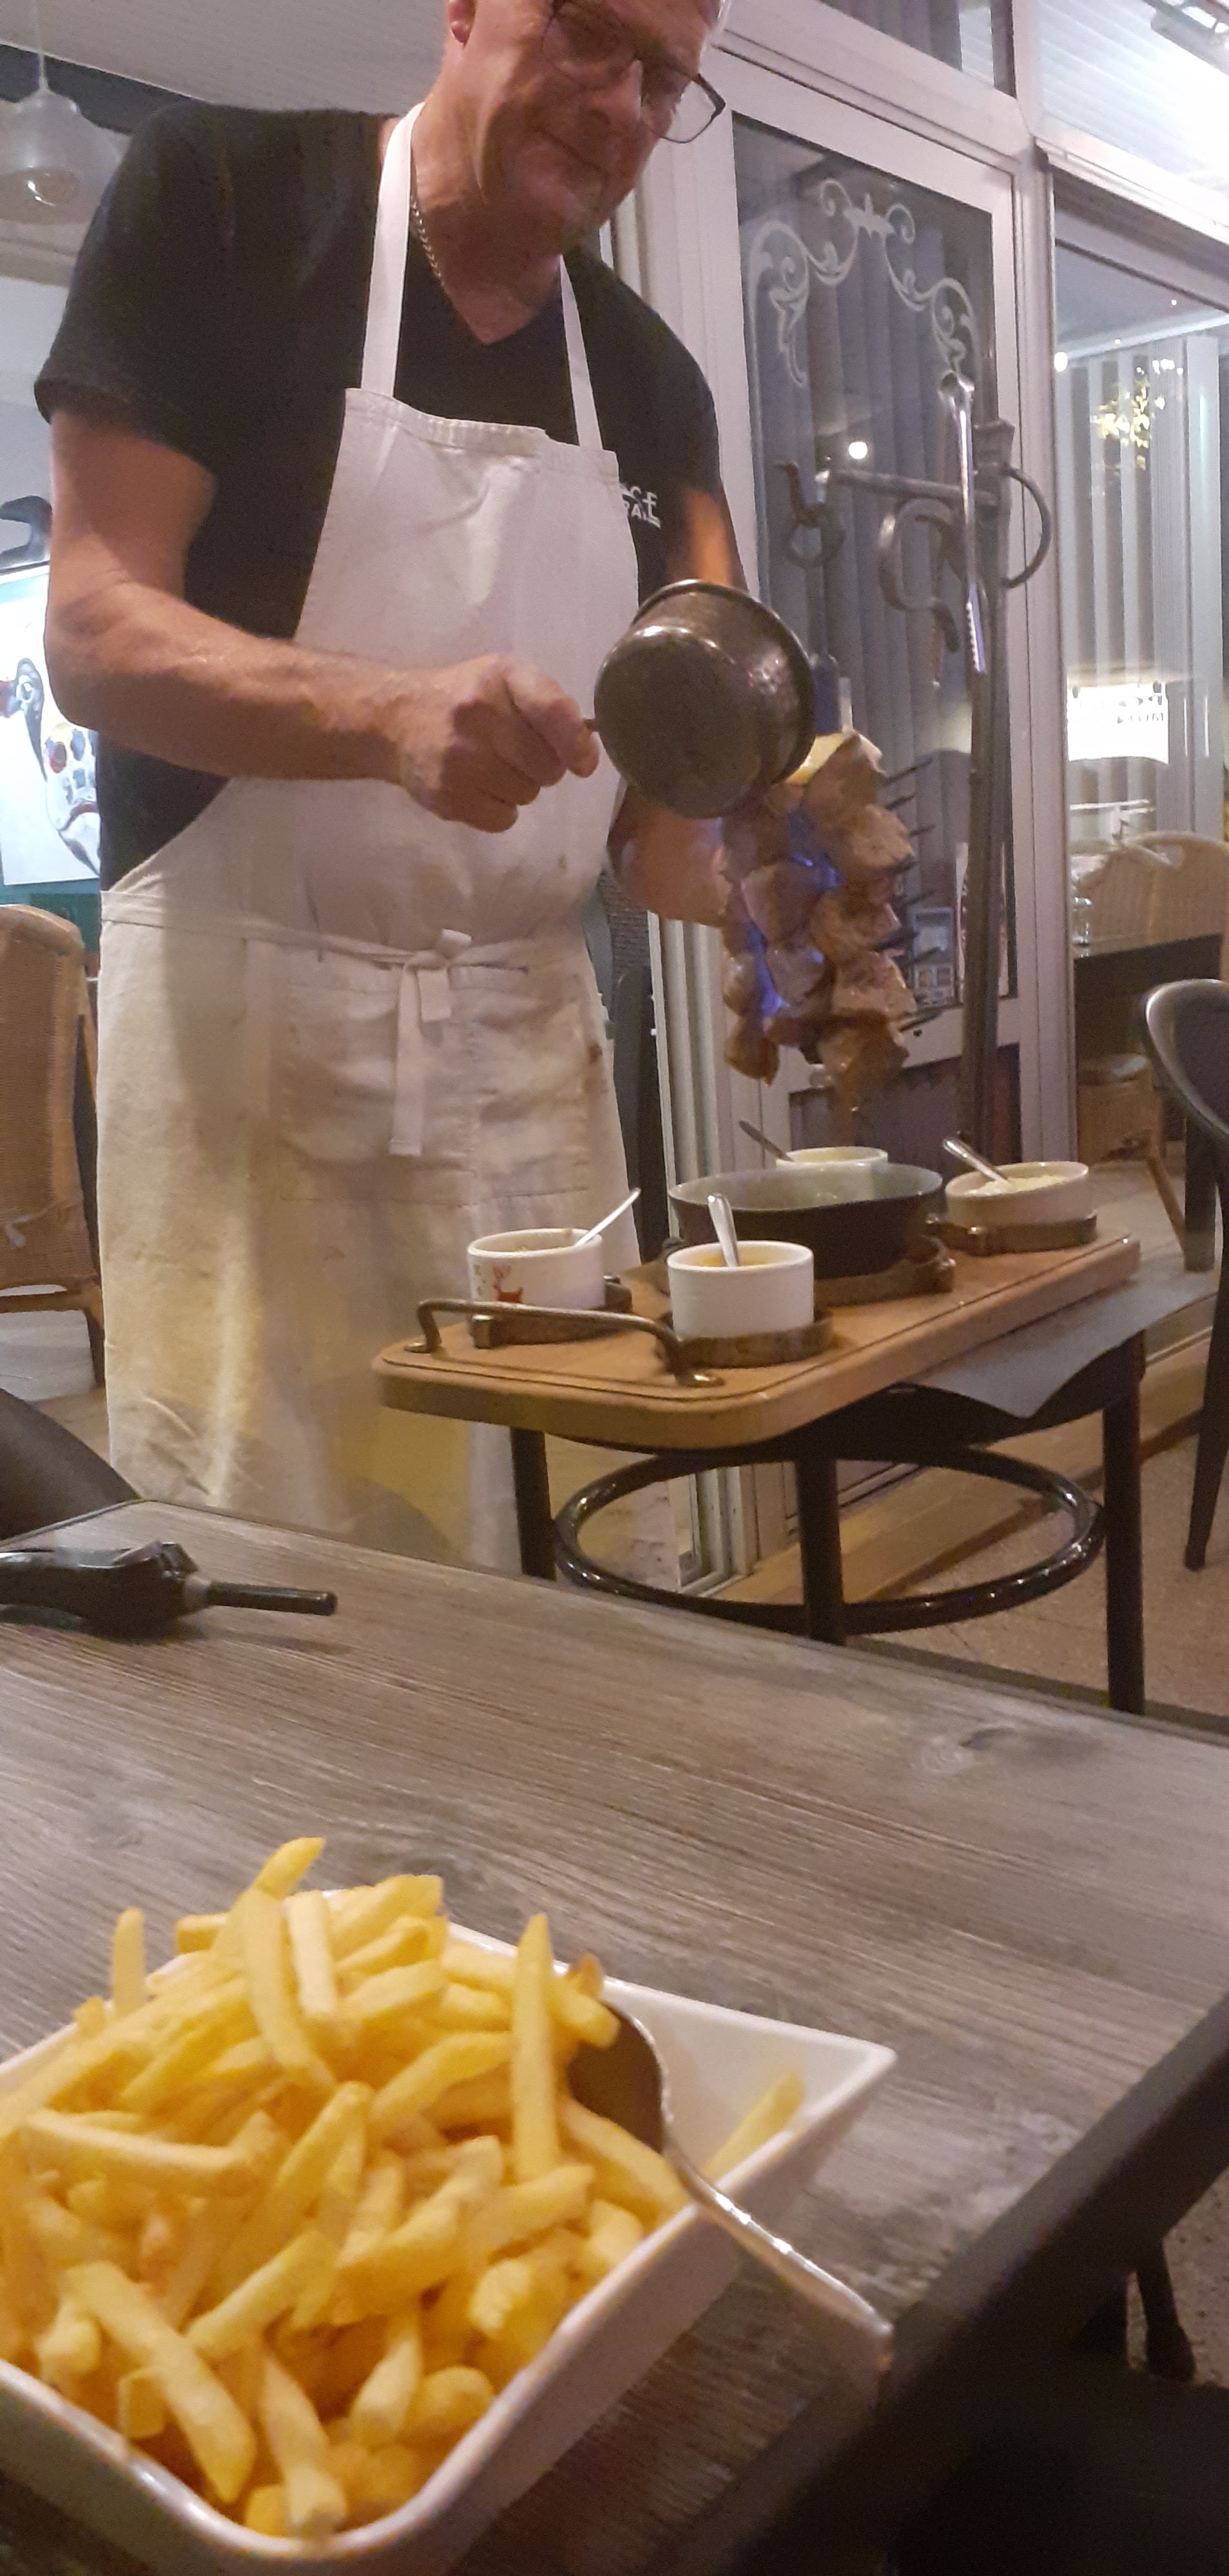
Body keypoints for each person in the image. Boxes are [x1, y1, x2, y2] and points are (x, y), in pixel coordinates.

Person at [37, 0, 736, 1562]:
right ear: (467, 8)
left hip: (533, 1067)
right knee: (297, 1584)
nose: (619, 102)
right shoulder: (226, 206)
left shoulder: (651, 382)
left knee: (572, 1560)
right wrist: (388, 716)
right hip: (252, 1059)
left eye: (663, 77)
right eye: (590, 31)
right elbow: (92, 629)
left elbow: (672, 824)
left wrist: (786, 883)